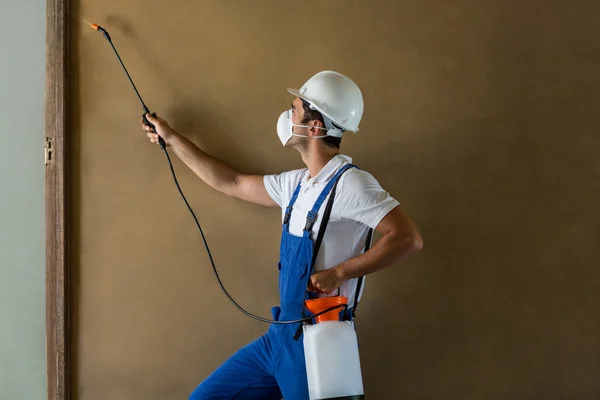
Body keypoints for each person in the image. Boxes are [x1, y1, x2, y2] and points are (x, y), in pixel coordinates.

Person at [141, 71, 423, 400]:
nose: (287, 116)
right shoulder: (298, 183)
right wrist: (172, 139)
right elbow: (230, 182)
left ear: (314, 127)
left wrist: (339, 273)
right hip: (282, 334)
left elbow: (407, 238)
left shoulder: (350, 184)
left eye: (294, 109)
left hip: (321, 340)